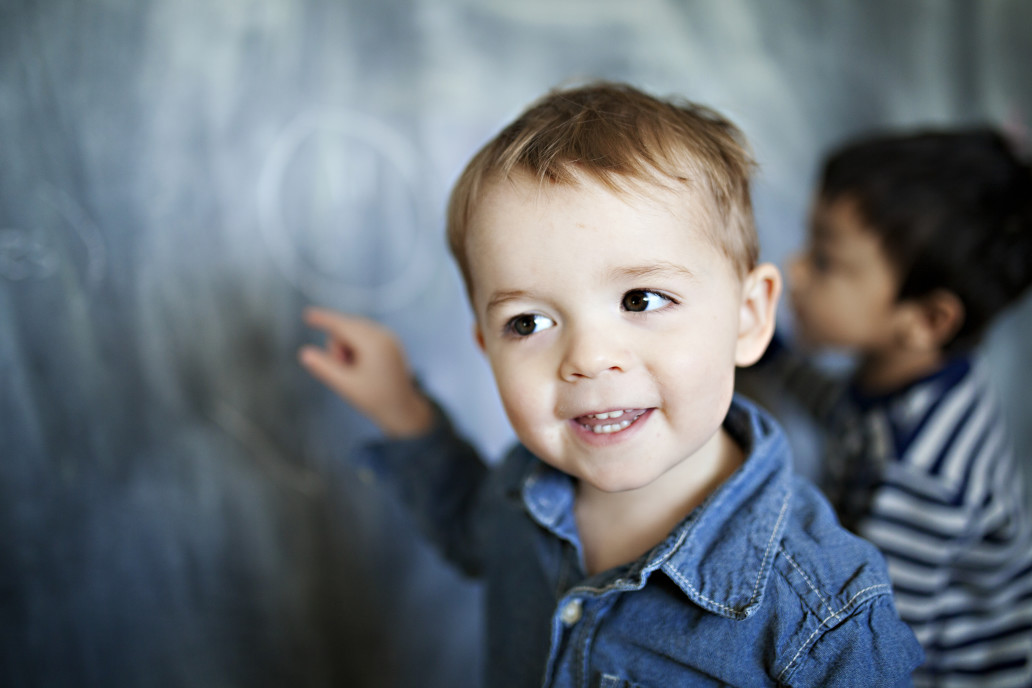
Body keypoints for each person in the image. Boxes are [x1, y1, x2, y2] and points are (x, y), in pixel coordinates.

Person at [299, 83, 922, 686]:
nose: (590, 359)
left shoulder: (820, 615)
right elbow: (473, 533)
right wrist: (402, 408)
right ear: (487, 347)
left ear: (749, 317)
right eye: (529, 322)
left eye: (642, 298)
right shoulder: (523, 486)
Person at [748, 128, 1032, 686]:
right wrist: (769, 356)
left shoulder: (924, 477)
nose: (795, 269)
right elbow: (841, 411)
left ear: (926, 320)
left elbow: (875, 641)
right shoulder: (907, 374)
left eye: (826, 260)